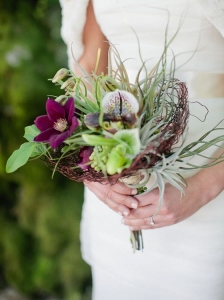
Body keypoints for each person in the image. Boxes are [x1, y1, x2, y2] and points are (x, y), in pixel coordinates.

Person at [59, 0, 224, 299]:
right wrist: (88, 161)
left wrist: (203, 188)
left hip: (210, 180)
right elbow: (93, 66)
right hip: (114, 181)